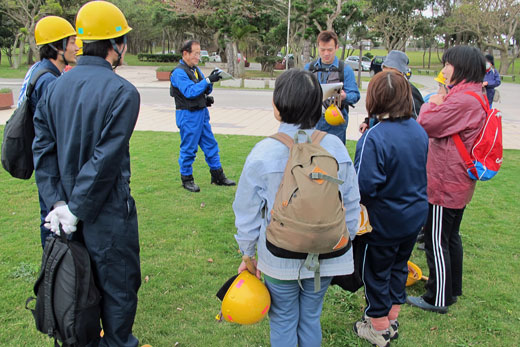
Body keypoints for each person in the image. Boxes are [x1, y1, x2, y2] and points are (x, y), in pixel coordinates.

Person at [33, 1, 141, 345]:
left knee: (72, 294)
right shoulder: (124, 92)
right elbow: (105, 159)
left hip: (63, 215)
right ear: (116, 45)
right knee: (118, 293)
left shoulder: (54, 87)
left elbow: (43, 152)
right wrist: (73, 209)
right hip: (107, 214)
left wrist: (59, 205)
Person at [233, 69, 360, 346]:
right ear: (318, 107)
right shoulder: (335, 147)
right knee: (311, 316)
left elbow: (247, 211)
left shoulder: (262, 153)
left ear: (277, 109)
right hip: (328, 252)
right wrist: (344, 237)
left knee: (283, 318)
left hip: (280, 256)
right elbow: (351, 201)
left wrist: (247, 253)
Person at [407, 45, 487, 314]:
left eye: (447, 65)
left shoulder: (461, 100)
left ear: (461, 67)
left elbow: (425, 122)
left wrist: (434, 100)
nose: (443, 70)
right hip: (459, 182)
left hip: (445, 182)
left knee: (435, 239)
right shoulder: (475, 95)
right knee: (450, 237)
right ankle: (452, 288)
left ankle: (437, 297)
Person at [353, 71, 429, 347]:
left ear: (374, 99)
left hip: (384, 222)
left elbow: (364, 186)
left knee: (375, 272)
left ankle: (378, 327)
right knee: (398, 267)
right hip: (414, 216)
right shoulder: (418, 129)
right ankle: (391, 318)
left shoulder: (374, 137)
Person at [16, 16, 78, 248]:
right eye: (70, 41)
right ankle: (55, 276)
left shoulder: (40, 70)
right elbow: (57, 130)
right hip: (53, 165)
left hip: (47, 162)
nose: (75, 46)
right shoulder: (48, 81)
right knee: (55, 224)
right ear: (56, 47)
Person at [170, 40, 235, 192]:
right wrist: (207, 81)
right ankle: (187, 179)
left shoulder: (195, 70)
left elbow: (204, 89)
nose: (198, 57)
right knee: (189, 148)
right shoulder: (179, 72)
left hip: (201, 113)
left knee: (210, 145)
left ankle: (217, 176)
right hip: (188, 115)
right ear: (185, 53)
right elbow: (189, 91)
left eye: (199, 53)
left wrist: (211, 81)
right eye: (196, 53)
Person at [305, 31, 360, 144]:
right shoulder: (308, 69)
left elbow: (355, 95)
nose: (326, 53)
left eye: (330, 50)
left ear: (336, 47)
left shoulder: (345, 70)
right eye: (322, 50)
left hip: (336, 125)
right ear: (318, 47)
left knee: (335, 158)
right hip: (312, 123)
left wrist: (345, 96)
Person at [359, 50, 424, 134]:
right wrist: (367, 122)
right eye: (385, 67)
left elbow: (418, 117)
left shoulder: (410, 90)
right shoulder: (381, 86)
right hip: (378, 134)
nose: (387, 72)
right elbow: (377, 109)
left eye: (391, 69)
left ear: (401, 72)